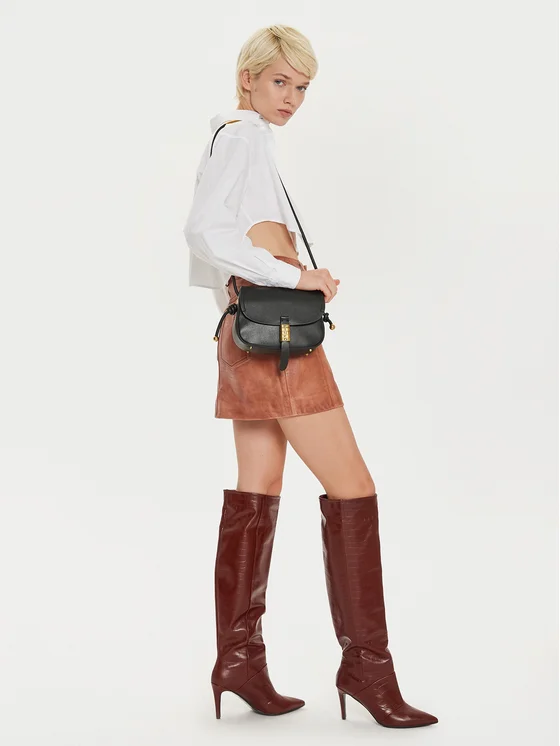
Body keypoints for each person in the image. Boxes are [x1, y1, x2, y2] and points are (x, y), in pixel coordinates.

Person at [183, 24, 438, 728]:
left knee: (257, 487)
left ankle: (239, 659)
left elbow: (222, 245)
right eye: (280, 82)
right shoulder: (242, 135)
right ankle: (367, 668)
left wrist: (270, 281)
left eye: (301, 87)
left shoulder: (243, 137)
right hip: (279, 340)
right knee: (353, 487)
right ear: (248, 78)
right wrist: (296, 276)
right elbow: (205, 231)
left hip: (249, 335)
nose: (292, 97)